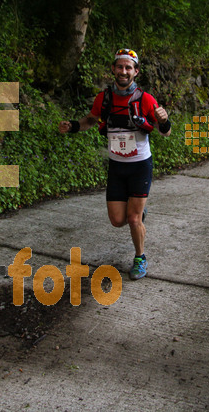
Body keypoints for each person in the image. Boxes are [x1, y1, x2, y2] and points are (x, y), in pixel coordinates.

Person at [58, 49, 171, 280]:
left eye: (128, 68)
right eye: (120, 67)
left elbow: (165, 132)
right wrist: (73, 126)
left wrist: (164, 120)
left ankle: (140, 257)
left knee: (133, 219)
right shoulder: (104, 98)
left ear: (136, 72)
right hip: (117, 166)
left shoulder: (145, 99)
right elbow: (91, 120)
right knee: (117, 220)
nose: (123, 71)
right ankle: (138, 212)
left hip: (140, 165)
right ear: (113, 69)